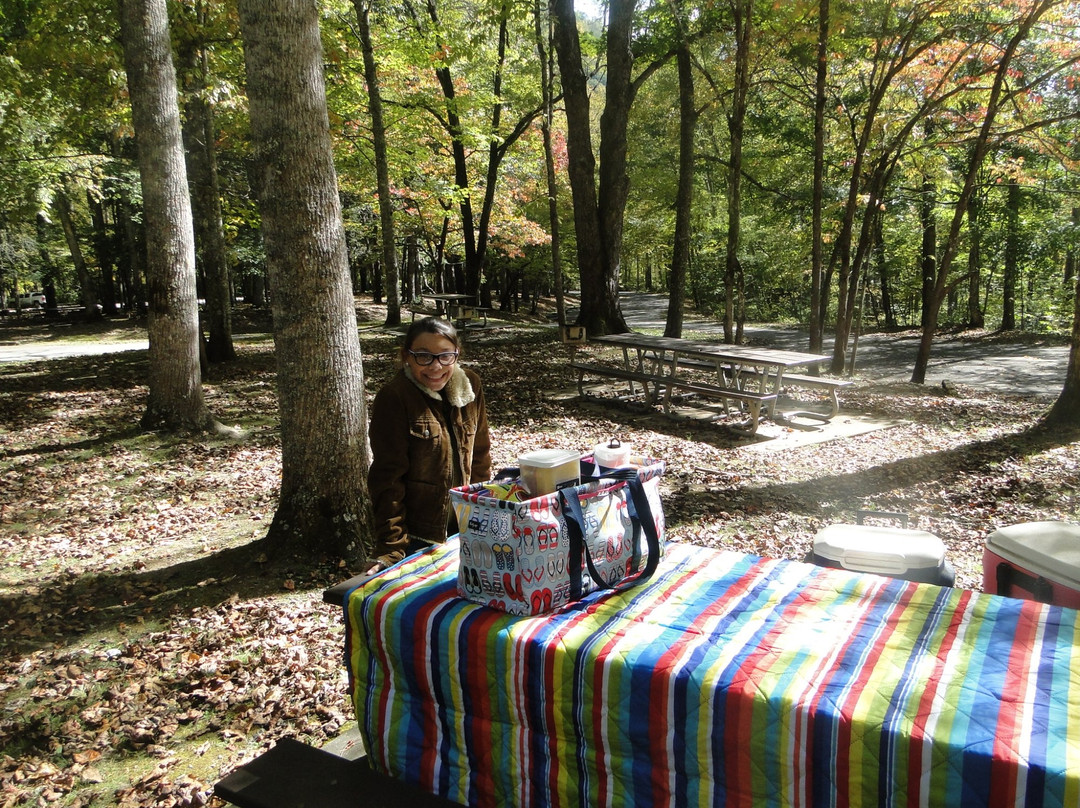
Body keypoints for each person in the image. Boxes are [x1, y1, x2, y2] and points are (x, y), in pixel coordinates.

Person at [366, 316, 492, 573]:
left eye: (445, 356)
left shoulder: (470, 386)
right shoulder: (395, 397)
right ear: (406, 356)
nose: (436, 366)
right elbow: (387, 480)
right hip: (419, 538)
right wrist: (391, 548)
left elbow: (480, 456)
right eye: (423, 356)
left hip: (467, 527)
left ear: (457, 355)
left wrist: (483, 515)